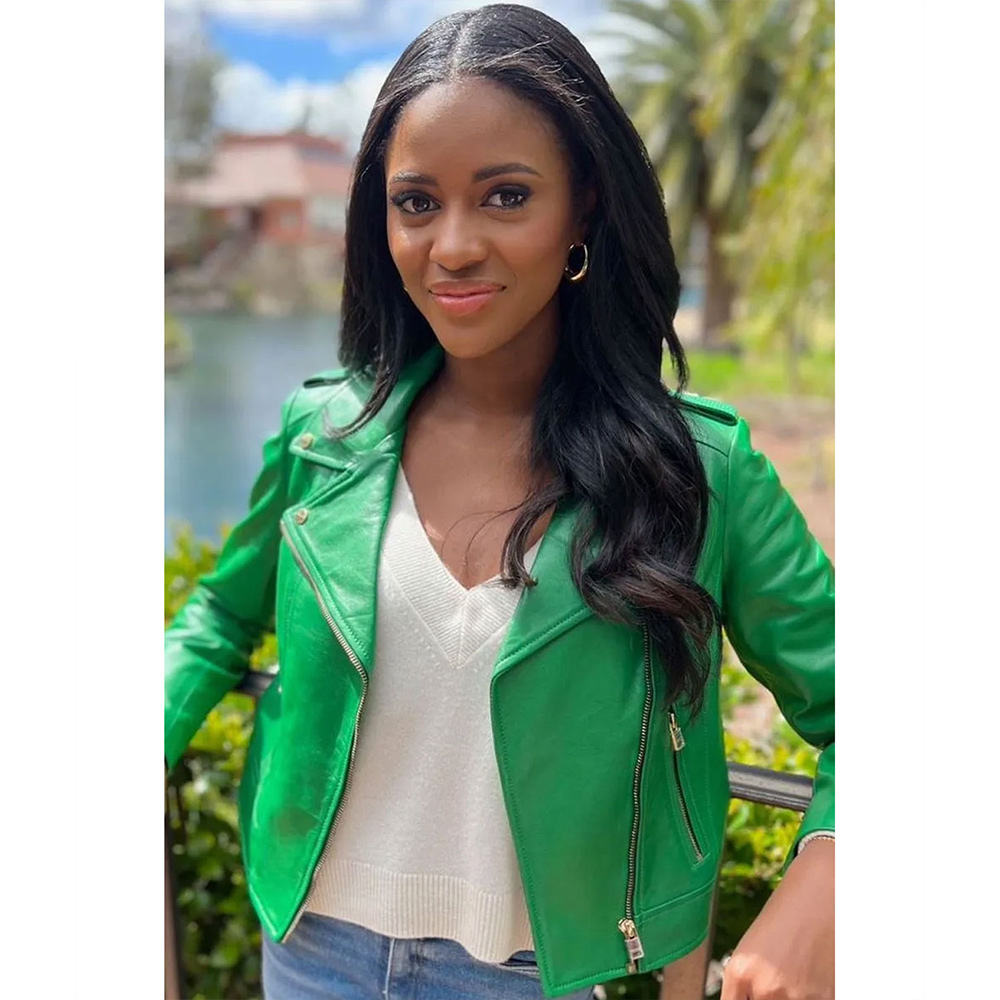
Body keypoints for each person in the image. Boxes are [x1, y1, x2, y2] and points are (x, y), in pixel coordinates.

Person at [164, 4, 835, 999]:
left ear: (583, 210)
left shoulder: (698, 469)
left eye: (506, 196)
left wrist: (828, 866)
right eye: (416, 202)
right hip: (309, 950)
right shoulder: (323, 433)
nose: (452, 246)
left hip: (541, 975)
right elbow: (222, 612)